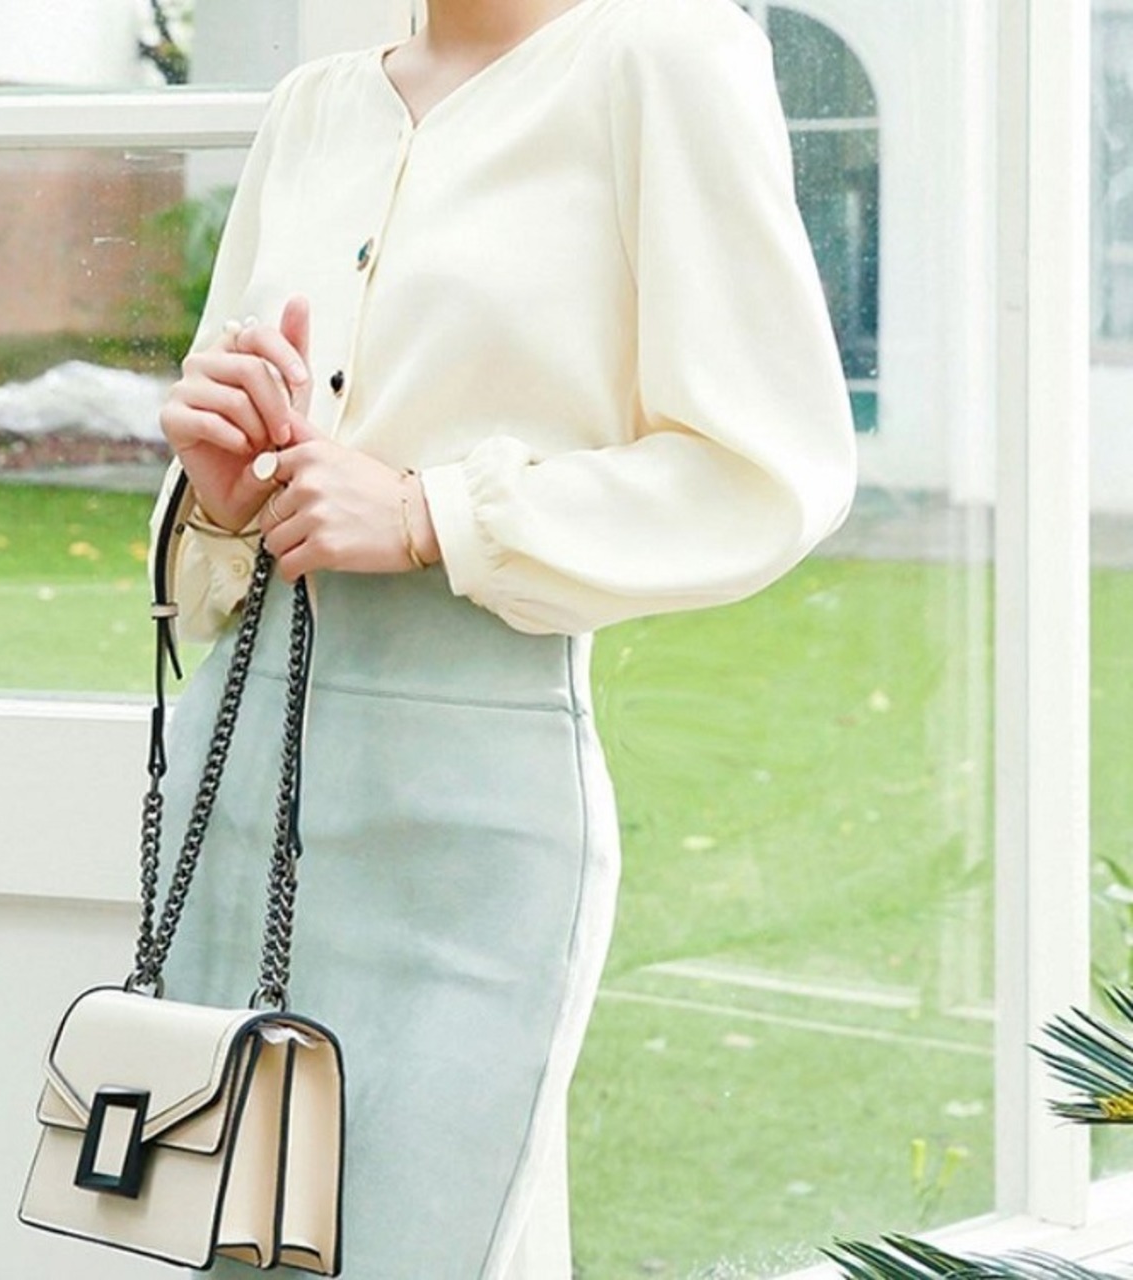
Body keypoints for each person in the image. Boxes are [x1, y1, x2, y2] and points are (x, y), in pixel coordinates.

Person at [152, 0, 857, 1276]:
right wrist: (221, 486)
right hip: (237, 766)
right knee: (223, 1243)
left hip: (468, 796)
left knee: (428, 1240)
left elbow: (767, 467)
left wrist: (430, 513)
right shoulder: (312, 108)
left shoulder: (660, 57)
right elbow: (213, 557)